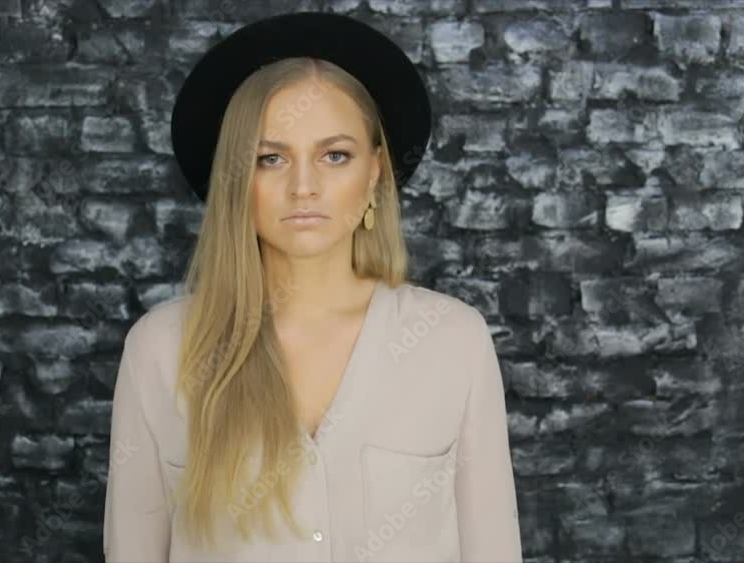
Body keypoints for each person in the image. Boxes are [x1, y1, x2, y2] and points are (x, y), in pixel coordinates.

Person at [102, 11, 522, 563]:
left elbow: (493, 550)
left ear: (374, 172)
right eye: (270, 158)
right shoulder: (161, 351)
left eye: (335, 156)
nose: (304, 186)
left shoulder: (453, 342)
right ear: (236, 179)